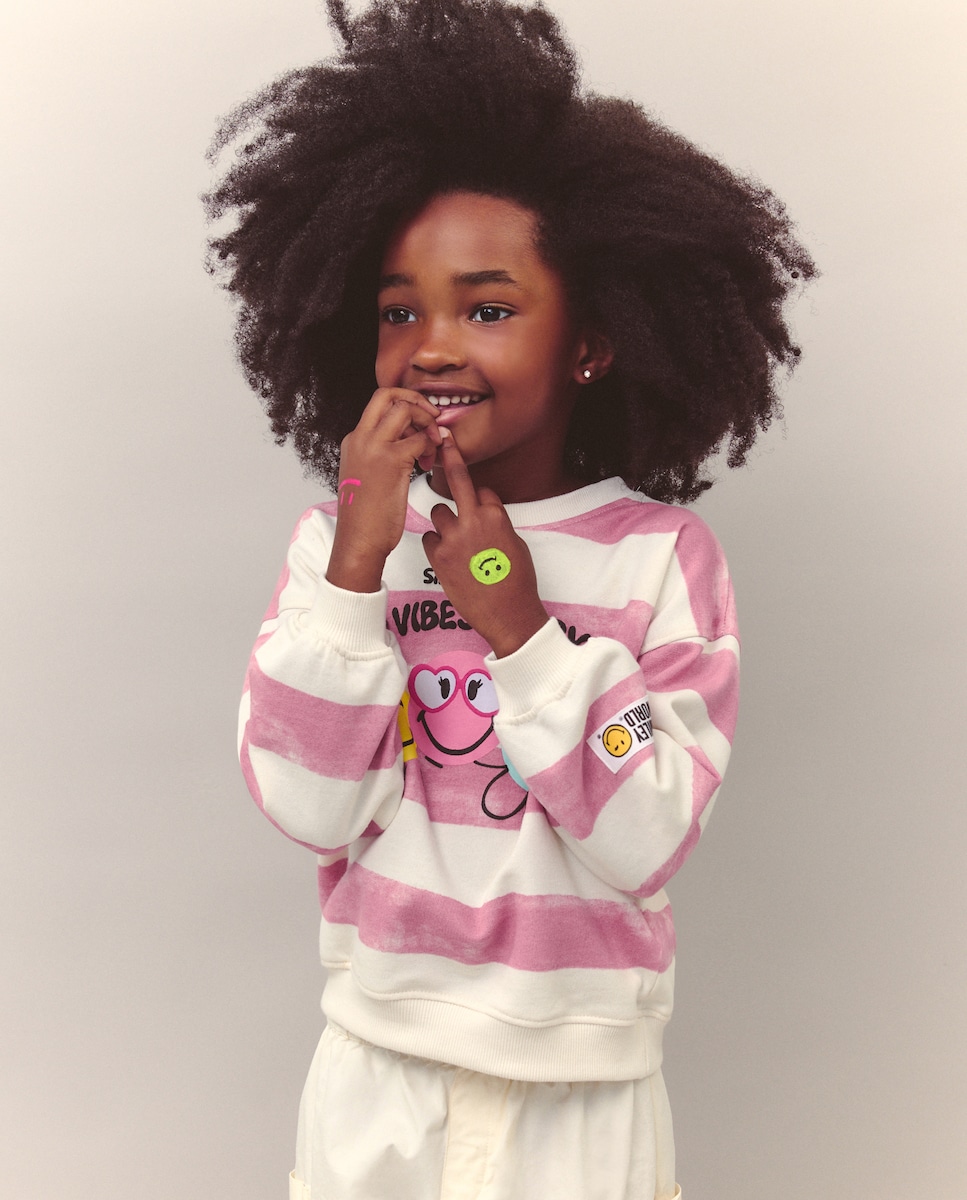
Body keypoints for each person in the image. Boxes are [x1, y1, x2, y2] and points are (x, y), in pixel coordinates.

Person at [205, 1, 814, 1196]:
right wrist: (356, 567)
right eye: (399, 311)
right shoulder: (339, 550)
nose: (433, 345)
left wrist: (521, 629)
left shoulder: (659, 561)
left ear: (591, 341)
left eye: (486, 309)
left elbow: (647, 835)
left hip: (581, 1091)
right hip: (378, 1066)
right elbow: (309, 811)